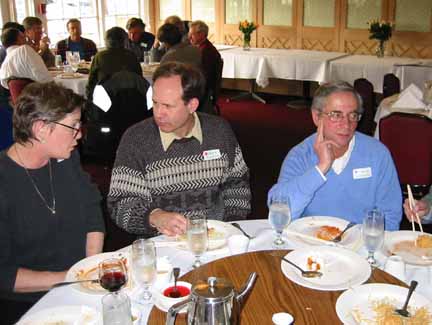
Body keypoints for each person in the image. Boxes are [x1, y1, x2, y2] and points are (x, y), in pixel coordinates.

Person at [0, 82, 105, 324]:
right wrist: (71, 278)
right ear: (41, 129)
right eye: (73, 127)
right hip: (28, 306)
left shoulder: (65, 158)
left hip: (79, 288)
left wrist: (90, 269)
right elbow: (3, 275)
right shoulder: (4, 182)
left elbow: (92, 210)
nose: (79, 135)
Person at [108, 62, 251, 237]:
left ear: (192, 105)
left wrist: (229, 229)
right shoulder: (136, 139)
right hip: (161, 244)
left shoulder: (219, 131)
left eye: (168, 106)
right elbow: (119, 203)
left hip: (214, 237)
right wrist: (155, 217)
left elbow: (237, 182)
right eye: (155, 103)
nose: (158, 113)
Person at [268, 81, 402, 231]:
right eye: (336, 115)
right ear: (317, 117)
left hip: (358, 247)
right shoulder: (300, 156)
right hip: (311, 245)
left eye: (353, 115)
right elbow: (279, 213)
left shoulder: (377, 154)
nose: (346, 124)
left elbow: (390, 217)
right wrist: (320, 169)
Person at [86, 26, 142, 101]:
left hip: (105, 101)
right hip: (130, 101)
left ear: (106, 41)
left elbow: (91, 83)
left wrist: (91, 101)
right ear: (124, 41)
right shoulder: (131, 56)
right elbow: (140, 79)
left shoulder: (100, 56)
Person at [189, 20, 223, 113]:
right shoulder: (201, 47)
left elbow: (204, 77)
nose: (189, 37)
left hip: (205, 89)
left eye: (192, 34)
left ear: (201, 34)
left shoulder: (206, 52)